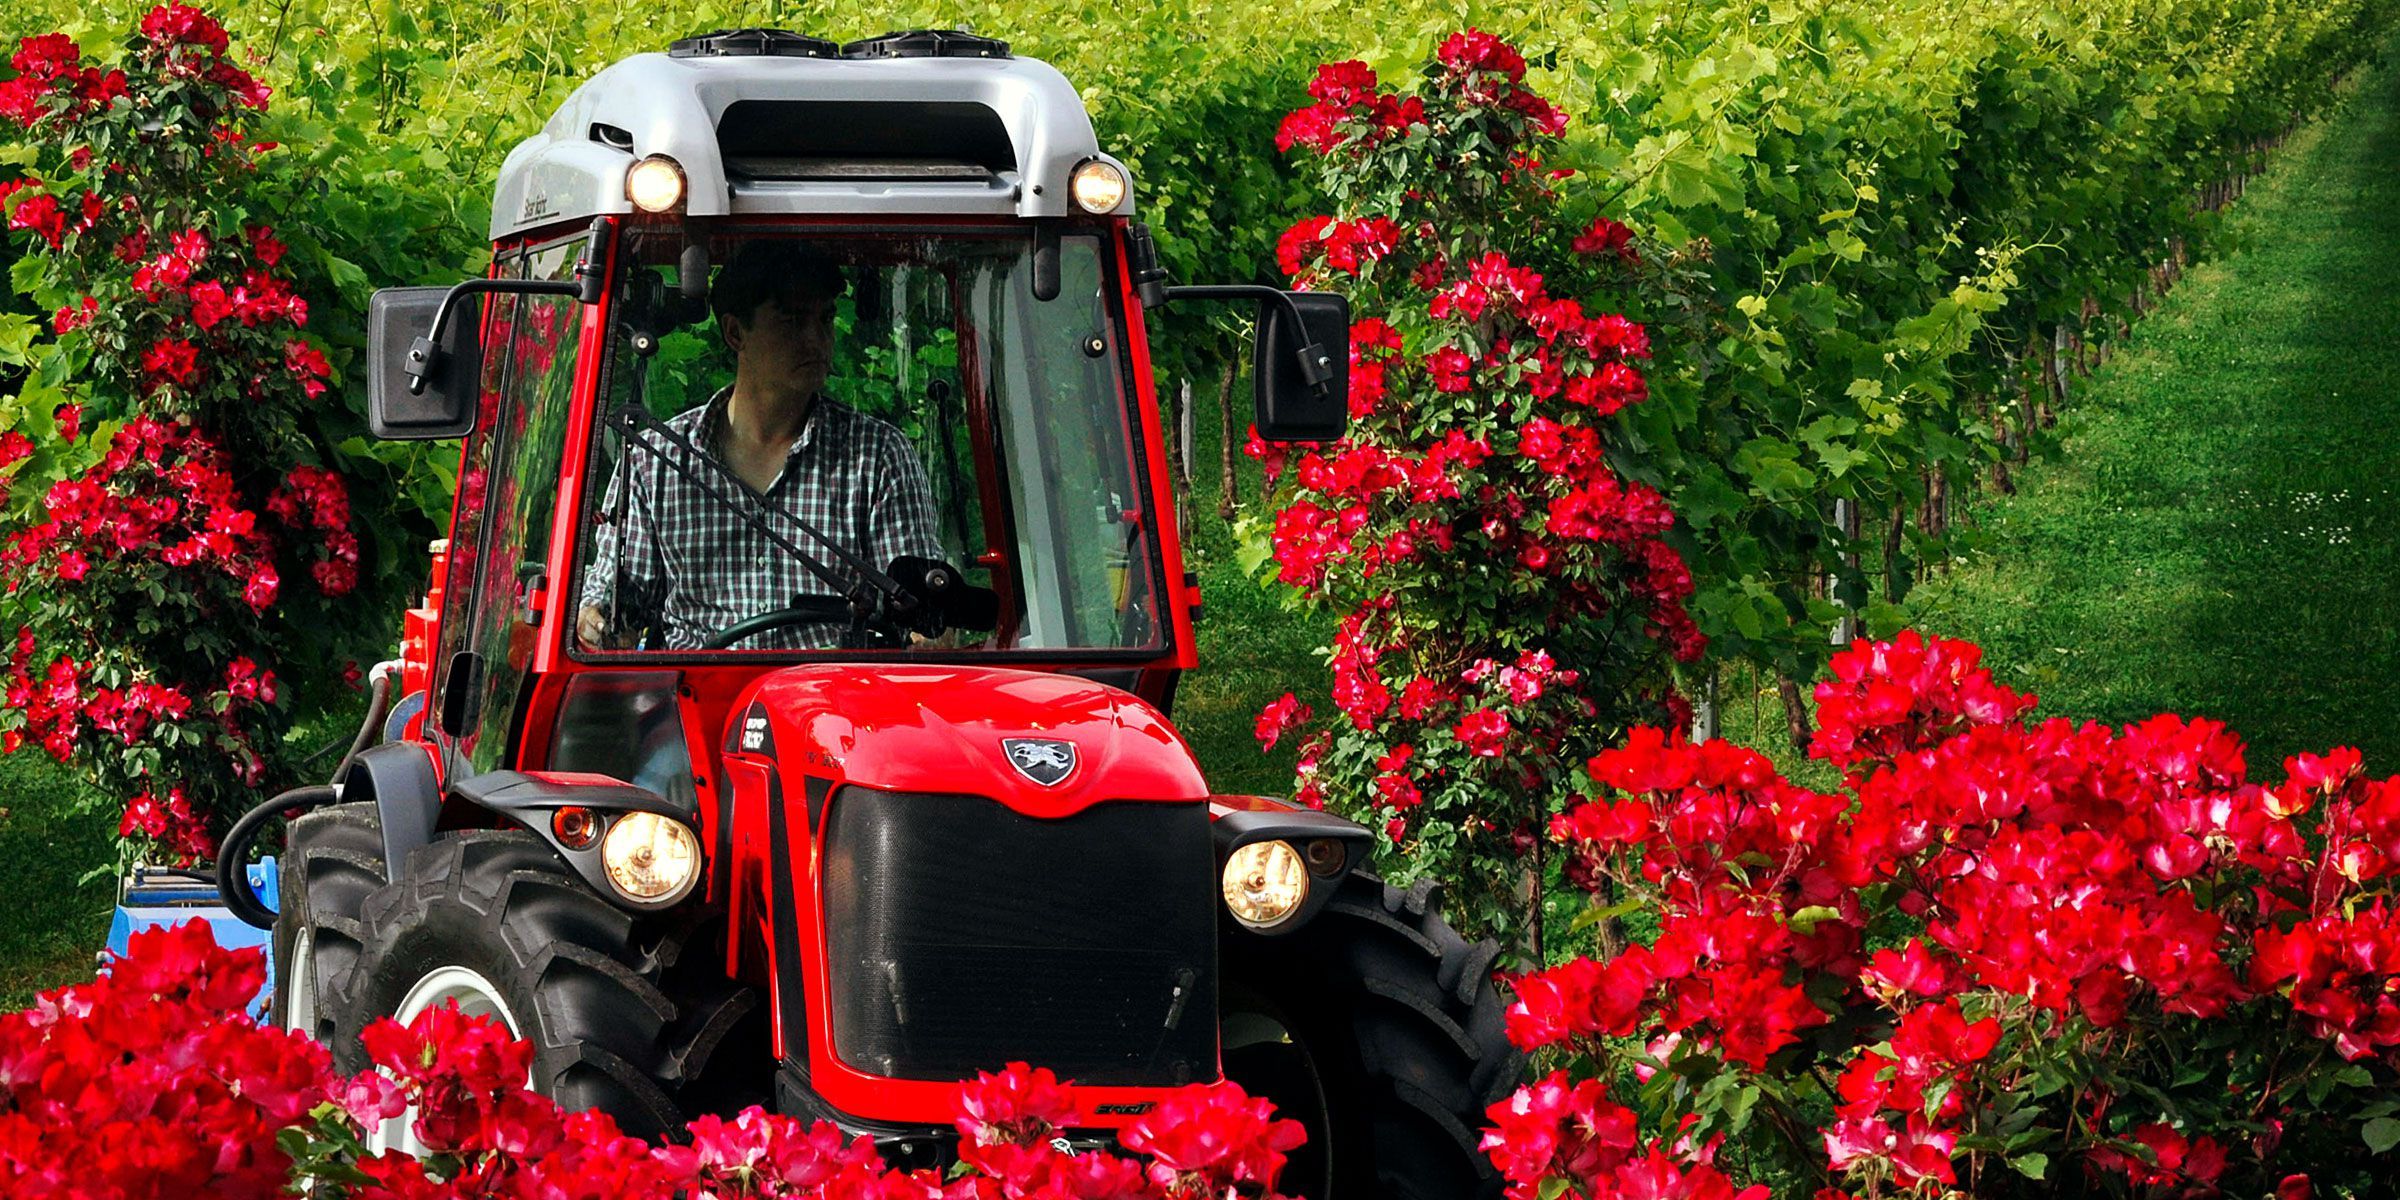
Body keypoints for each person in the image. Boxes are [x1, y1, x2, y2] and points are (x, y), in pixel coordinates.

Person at [576, 242, 945, 650]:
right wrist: (601, 620)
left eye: (824, 320)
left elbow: (926, 616)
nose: (817, 340)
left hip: (837, 698)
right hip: (692, 698)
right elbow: (612, 599)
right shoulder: (655, 461)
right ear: (735, 333)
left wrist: (928, 631)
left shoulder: (877, 457)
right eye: (791, 321)